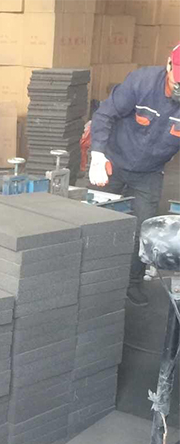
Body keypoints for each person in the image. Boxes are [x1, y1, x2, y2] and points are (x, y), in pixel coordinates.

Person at [89, 43, 180, 307]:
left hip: (149, 172)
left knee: (143, 228)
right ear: (169, 65)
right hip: (113, 162)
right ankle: (92, 278)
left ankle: (133, 282)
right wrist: (98, 154)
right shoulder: (142, 82)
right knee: (96, 220)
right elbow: (105, 114)